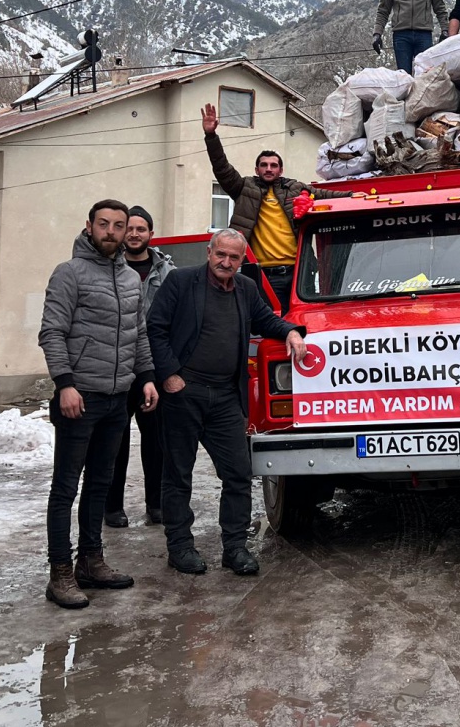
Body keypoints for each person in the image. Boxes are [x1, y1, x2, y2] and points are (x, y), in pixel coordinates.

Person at [147, 229, 307, 577]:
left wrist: (291, 331)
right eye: (221, 254)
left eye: (234, 257)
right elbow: (155, 329)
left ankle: (235, 548)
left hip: (225, 397)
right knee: (177, 474)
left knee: (238, 473)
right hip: (184, 393)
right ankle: (180, 547)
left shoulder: (246, 288)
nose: (226, 262)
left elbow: (265, 319)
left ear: (242, 260)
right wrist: (169, 375)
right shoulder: (180, 282)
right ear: (209, 252)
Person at [38, 199, 158, 610]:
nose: (111, 231)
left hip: (116, 400)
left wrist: (146, 377)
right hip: (79, 398)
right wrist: (65, 384)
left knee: (100, 484)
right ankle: (60, 573)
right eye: (103, 224)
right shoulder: (69, 273)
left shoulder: (129, 279)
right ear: (89, 226)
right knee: (65, 487)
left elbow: (139, 335)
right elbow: (52, 332)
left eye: (118, 225)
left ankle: (91, 561)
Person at [203, 110, 323, 312]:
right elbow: (221, 168)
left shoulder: (294, 188)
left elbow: (325, 194)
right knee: (269, 322)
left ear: (280, 170)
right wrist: (211, 136)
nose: (268, 169)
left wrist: (359, 194)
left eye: (273, 165)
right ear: (256, 169)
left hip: (300, 273)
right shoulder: (244, 188)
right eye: (264, 165)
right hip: (264, 275)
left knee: (302, 320)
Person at [103, 206, 175, 529]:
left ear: (151, 234)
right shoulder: (108, 268)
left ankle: (156, 504)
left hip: (153, 370)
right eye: (129, 228)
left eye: (140, 229)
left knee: (156, 440)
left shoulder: (167, 271)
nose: (134, 234)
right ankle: (112, 507)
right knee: (114, 442)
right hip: (116, 368)